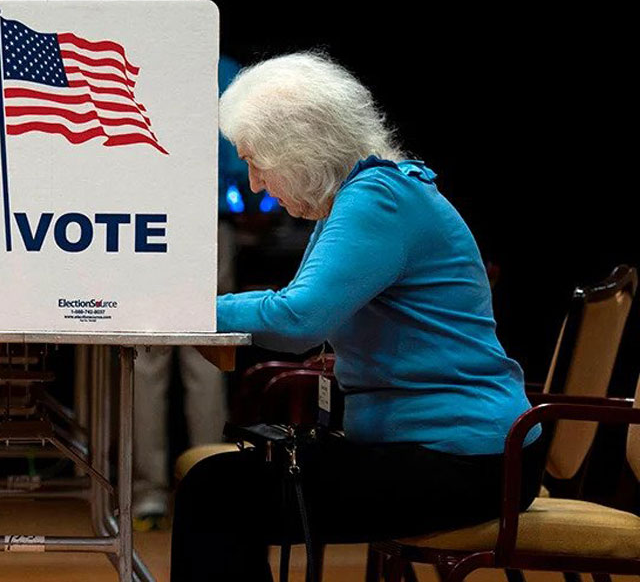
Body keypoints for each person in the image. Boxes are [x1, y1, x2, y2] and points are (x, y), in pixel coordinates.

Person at [171, 52, 542, 581]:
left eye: (256, 162)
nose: (253, 184)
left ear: (299, 148)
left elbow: (298, 318)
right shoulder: (366, 194)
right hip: (449, 450)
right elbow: (300, 316)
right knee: (221, 489)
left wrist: (182, 308)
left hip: (467, 460)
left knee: (217, 493)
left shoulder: (377, 198)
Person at [131, 55, 244, 530]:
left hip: (140, 223)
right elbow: (241, 161)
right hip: (204, 222)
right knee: (206, 357)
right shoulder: (223, 71)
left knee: (145, 359)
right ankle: (210, 486)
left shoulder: (138, 57)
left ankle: (146, 495)